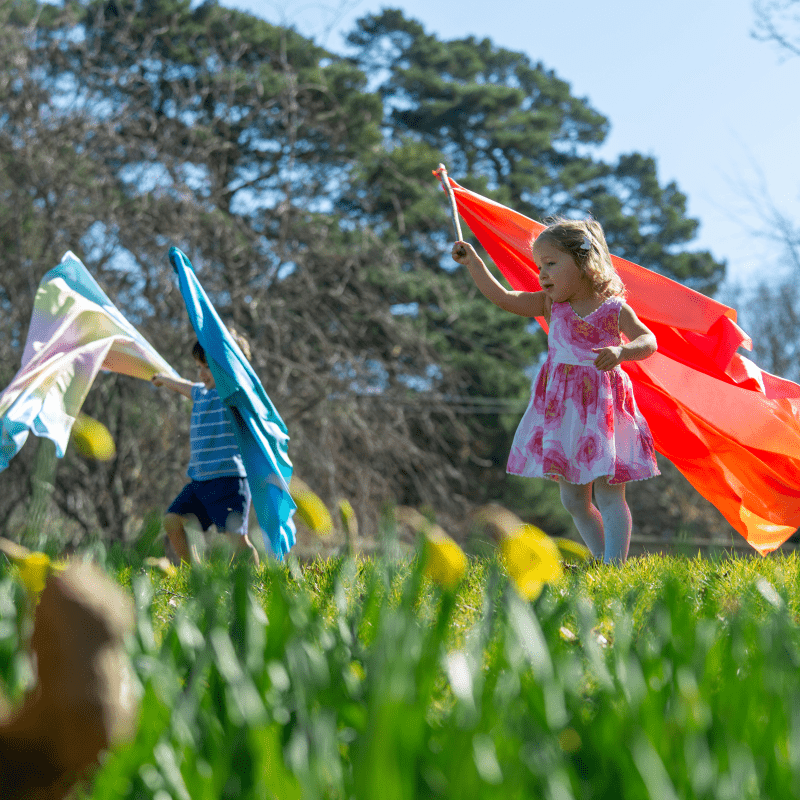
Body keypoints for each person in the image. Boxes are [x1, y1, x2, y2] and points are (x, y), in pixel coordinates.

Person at [451, 217, 659, 563]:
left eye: (550, 264)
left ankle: (614, 564)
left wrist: (622, 351)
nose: (541, 274)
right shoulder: (552, 306)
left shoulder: (613, 309)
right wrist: (473, 262)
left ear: (583, 263)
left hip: (603, 409)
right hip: (563, 411)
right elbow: (504, 298)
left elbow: (648, 340)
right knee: (574, 501)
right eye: (538, 266)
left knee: (609, 496)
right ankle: (601, 558)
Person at [152, 337, 260, 566]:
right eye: (199, 367)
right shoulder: (201, 393)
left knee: (237, 540)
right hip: (200, 481)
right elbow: (185, 387)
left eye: (208, 367)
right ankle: (195, 575)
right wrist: (164, 379)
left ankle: (258, 582)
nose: (202, 374)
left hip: (228, 481)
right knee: (172, 521)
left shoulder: (232, 394)